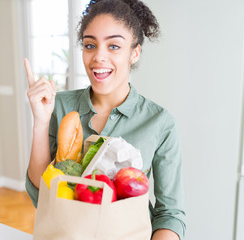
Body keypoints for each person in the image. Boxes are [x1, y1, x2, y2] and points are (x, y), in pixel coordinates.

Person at [24, 0, 186, 239]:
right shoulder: (58, 106)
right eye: (90, 45)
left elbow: (170, 213)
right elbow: (41, 192)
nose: (98, 57)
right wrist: (40, 122)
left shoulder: (160, 123)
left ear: (135, 52)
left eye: (114, 46)